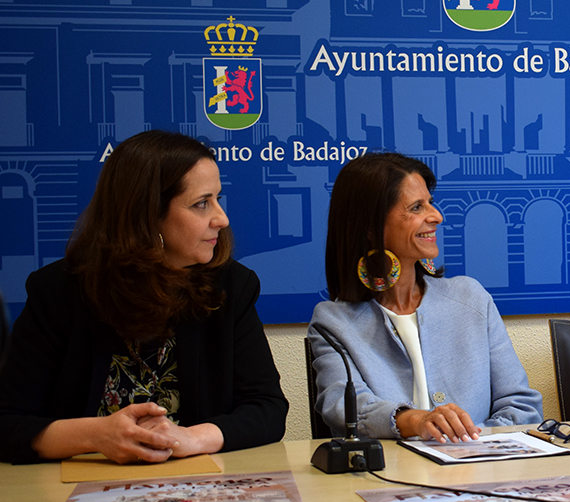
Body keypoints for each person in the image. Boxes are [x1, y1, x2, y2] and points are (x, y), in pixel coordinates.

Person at [0, 131, 288, 464]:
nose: (221, 219)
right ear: (147, 215)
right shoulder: (58, 291)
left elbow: (267, 409)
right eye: (201, 204)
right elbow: (8, 423)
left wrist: (190, 437)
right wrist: (95, 435)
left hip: (199, 492)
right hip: (79, 493)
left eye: (217, 199)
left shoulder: (230, 287)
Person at [307, 152, 542, 443]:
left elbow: (521, 406)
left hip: (480, 471)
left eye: (430, 203)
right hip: (392, 479)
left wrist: (473, 447)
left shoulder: (470, 298)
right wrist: (416, 421)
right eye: (416, 207)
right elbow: (344, 410)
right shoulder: (333, 322)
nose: (436, 216)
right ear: (369, 227)